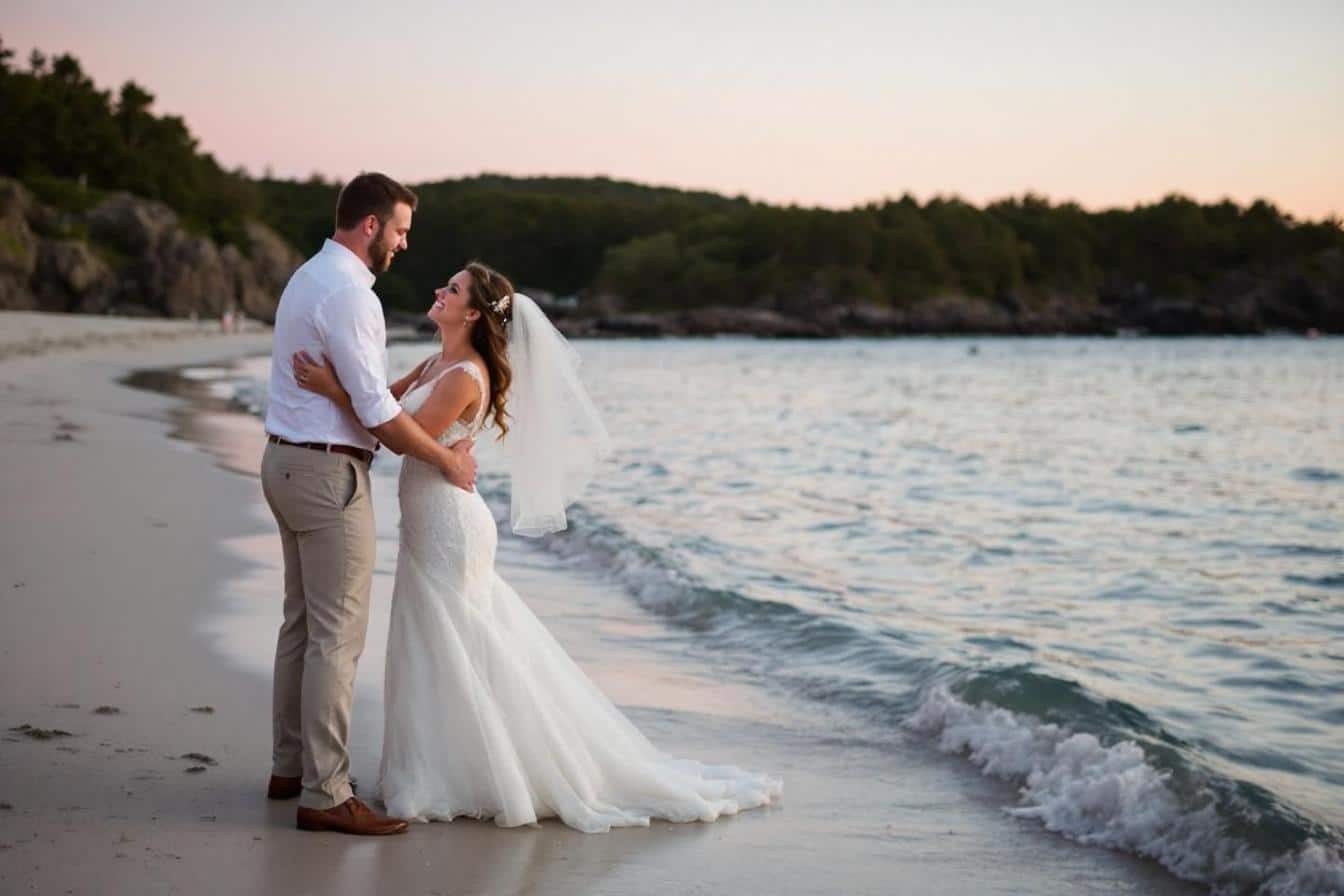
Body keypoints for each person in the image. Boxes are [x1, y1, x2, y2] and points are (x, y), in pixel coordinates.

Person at [292, 261, 783, 832]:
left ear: (472, 314)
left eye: (453, 289)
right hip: (428, 521)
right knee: (434, 644)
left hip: (450, 524)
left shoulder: (464, 375)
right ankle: (445, 766)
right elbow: (380, 406)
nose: (440, 291)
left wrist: (332, 388)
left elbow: (403, 436)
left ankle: (486, 770)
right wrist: (343, 381)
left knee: (460, 644)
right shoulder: (433, 363)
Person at [260, 173, 477, 836]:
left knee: (302, 625)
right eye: (401, 231)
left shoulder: (308, 276)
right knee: (336, 636)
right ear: (372, 225)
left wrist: (353, 391)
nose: (404, 245)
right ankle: (326, 793)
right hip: (328, 476)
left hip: (285, 461)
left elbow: (369, 395)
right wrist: (446, 460)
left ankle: (290, 767)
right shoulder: (353, 294)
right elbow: (379, 413)